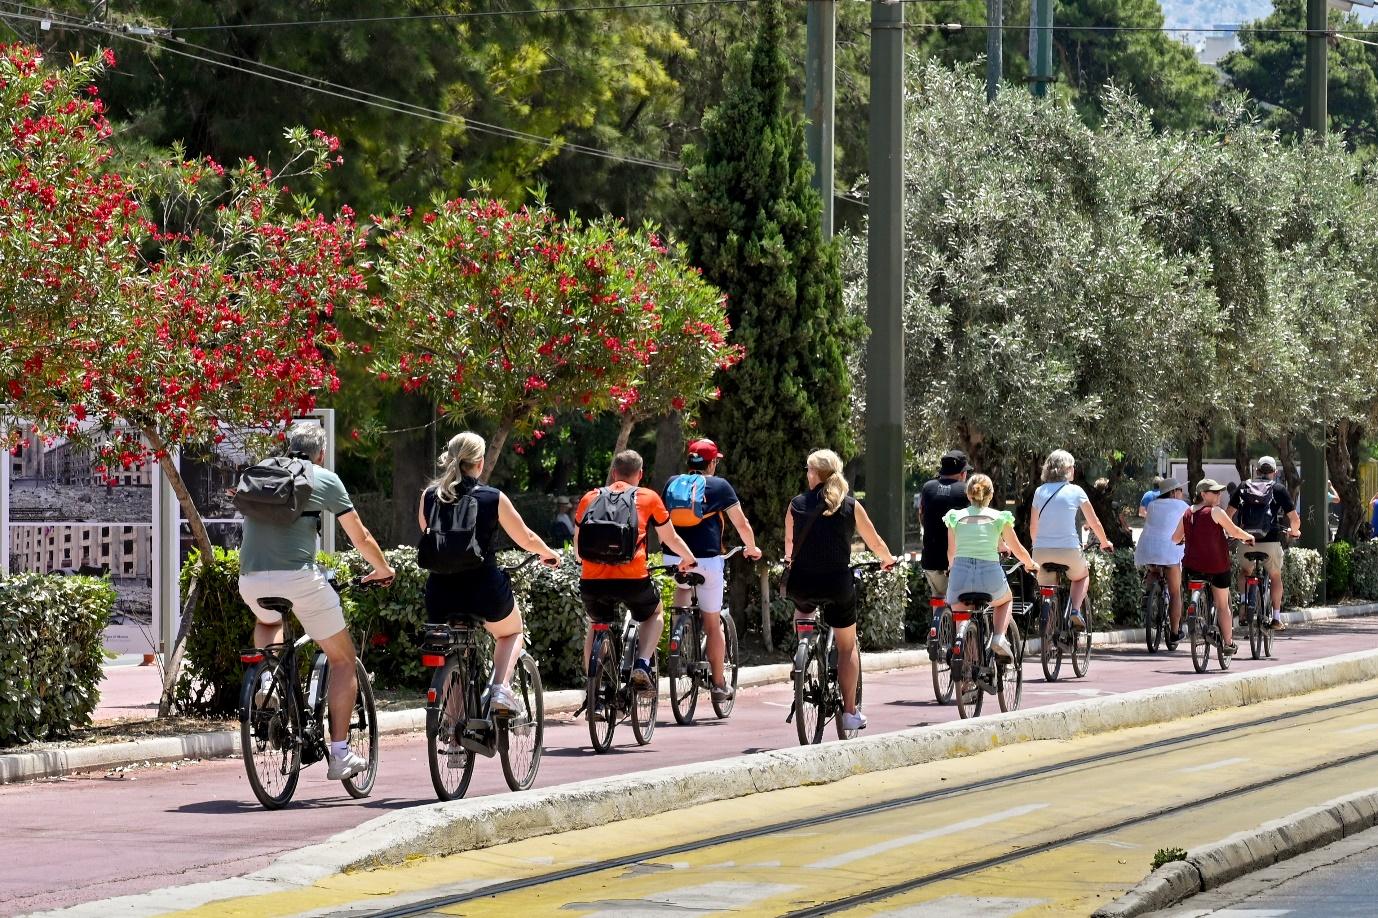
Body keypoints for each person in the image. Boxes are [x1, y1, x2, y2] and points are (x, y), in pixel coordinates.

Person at [238, 422, 395, 781]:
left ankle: (266, 684)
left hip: (249, 578)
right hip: (299, 580)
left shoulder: (261, 471)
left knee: (267, 621)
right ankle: (339, 754)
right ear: (320, 452)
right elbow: (361, 535)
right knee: (343, 660)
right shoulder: (323, 477)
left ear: (286, 445)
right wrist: (383, 568)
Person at [418, 432, 561, 716]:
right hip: (483, 590)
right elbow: (526, 537)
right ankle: (500, 689)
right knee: (512, 632)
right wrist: (549, 554)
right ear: (480, 462)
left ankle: (452, 727)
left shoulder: (430, 496)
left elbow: (428, 534)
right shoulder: (492, 497)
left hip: (440, 594)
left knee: (450, 651)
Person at [784, 449, 897, 733]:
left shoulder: (796, 504)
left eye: (809, 470)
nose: (807, 475)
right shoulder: (849, 505)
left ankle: (803, 649)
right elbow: (874, 540)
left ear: (816, 474)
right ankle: (849, 712)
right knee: (847, 646)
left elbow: (789, 546)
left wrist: (791, 560)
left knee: (803, 607)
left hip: (803, 582)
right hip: (837, 583)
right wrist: (887, 559)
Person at [574, 450, 697, 689]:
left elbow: (578, 549)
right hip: (633, 580)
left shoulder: (589, 497)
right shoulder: (648, 497)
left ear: (613, 472)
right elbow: (670, 538)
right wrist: (689, 559)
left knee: (597, 623)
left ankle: (594, 687)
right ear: (640, 474)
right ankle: (641, 663)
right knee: (654, 613)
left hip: (592, 581)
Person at [660, 439, 763, 704]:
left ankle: (678, 640)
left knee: (682, 591)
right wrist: (751, 547)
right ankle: (718, 685)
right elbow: (741, 522)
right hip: (707, 562)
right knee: (712, 624)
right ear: (713, 462)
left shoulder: (671, 482)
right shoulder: (719, 486)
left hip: (674, 559)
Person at [944, 474, 1037, 661]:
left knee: (962, 618)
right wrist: (1030, 564)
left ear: (968, 495)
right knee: (1005, 600)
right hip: (990, 576)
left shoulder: (955, 517)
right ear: (991, 495)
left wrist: (953, 570)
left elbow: (951, 553)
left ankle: (966, 670)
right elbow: (1017, 549)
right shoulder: (999, 518)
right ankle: (999, 637)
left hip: (960, 576)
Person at [1029, 449, 1114, 631]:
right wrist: (1105, 542)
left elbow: (1033, 527)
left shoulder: (1039, 491)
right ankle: (1075, 610)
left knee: (1047, 588)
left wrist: (1038, 546)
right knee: (1082, 576)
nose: (1074, 470)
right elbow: (1095, 522)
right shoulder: (1076, 490)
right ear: (1066, 469)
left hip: (1041, 551)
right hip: (1069, 550)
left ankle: (1049, 627)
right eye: (1073, 466)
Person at [1176, 478, 1257, 657]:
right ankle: (1228, 643)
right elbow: (1234, 531)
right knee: (1222, 605)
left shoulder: (1188, 512)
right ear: (1203, 494)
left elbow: (1175, 538)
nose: (1219, 494)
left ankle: (1197, 613)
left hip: (1192, 567)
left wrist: (1185, 539)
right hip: (1217, 566)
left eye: (1220, 491)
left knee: (1197, 588)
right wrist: (1248, 537)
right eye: (1214, 492)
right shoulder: (1216, 512)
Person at [1228, 456, 1301, 631]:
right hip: (1271, 542)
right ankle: (1276, 618)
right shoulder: (1279, 489)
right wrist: (1294, 531)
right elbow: (1294, 519)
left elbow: (1228, 514)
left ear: (1257, 471)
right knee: (1275, 576)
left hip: (1247, 540)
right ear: (1274, 473)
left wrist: (1232, 533)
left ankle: (1245, 603)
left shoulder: (1244, 486)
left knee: (1245, 571)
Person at [916, 450, 972, 642]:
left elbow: (922, 517)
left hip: (930, 558)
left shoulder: (927, 488)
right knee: (963, 603)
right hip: (957, 560)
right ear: (963, 473)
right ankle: (961, 644)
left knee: (938, 596)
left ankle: (937, 637)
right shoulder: (965, 490)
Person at [1134, 478, 1190, 642]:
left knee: (1154, 568)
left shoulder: (1152, 505)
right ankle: (1174, 633)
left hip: (1148, 549)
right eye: (1179, 490)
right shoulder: (1183, 506)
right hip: (1170, 551)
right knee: (1175, 593)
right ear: (1173, 492)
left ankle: (1150, 590)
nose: (1181, 493)